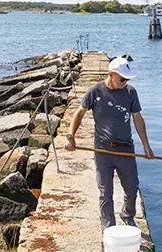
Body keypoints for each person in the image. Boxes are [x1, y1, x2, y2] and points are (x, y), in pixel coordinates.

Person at [64, 56, 154, 230]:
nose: (125, 82)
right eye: (122, 79)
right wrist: (70, 136)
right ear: (111, 74)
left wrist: (146, 145)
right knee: (106, 192)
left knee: (131, 187)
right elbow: (79, 113)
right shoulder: (95, 92)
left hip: (126, 149)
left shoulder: (130, 93)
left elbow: (138, 119)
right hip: (103, 150)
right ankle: (109, 228)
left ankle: (127, 215)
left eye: (127, 79)